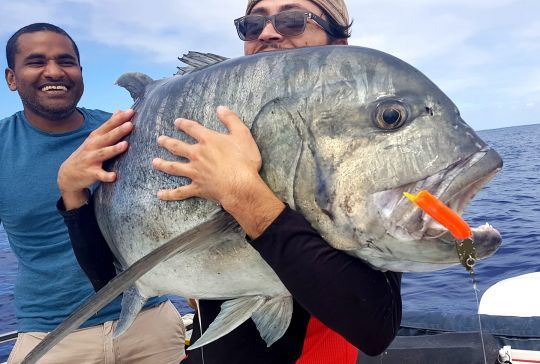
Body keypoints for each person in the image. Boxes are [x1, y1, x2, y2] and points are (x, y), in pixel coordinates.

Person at [58, 0, 402, 363]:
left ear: (338, 47)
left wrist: (244, 196)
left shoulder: (362, 156)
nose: (268, 32)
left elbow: (375, 326)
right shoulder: (211, 134)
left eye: (293, 20)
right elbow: (111, 281)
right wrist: (72, 192)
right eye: (253, 25)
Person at [0, 23, 186, 364]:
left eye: (66, 61)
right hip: (52, 334)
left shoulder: (128, 130)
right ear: (11, 78)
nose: (54, 71)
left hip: (150, 320)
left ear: (81, 73)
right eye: (36, 61)